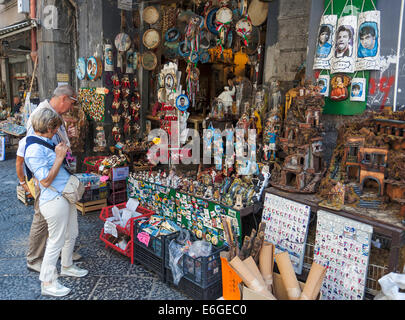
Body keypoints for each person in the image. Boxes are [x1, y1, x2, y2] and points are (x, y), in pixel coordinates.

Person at [16, 85, 82, 273]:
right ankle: (35, 258)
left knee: (60, 222)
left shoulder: (52, 113)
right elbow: (31, 148)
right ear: (64, 99)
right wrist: (29, 179)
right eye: (71, 103)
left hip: (57, 176)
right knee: (42, 217)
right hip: (46, 178)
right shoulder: (42, 114)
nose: (70, 108)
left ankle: (64, 254)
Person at [24, 107, 88, 297]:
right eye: (55, 128)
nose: (56, 132)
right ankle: (47, 281)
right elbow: (44, 180)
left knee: (72, 232)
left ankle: (67, 265)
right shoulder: (34, 149)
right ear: (48, 127)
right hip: (53, 199)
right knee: (55, 241)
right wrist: (59, 157)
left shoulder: (46, 140)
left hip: (65, 195)